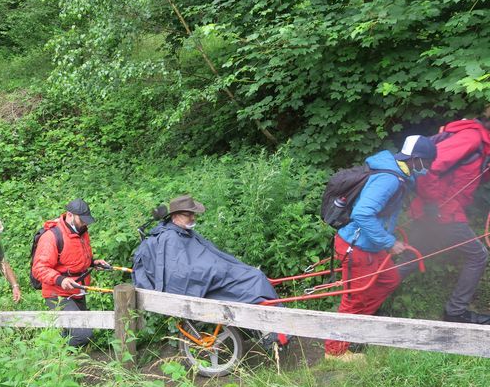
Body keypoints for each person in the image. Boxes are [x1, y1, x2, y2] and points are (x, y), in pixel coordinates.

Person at [324, 135, 437, 361]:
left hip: (370, 246)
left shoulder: (398, 171)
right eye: (427, 163)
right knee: (354, 298)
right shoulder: (390, 179)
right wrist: (389, 242)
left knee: (389, 280)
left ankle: (357, 329)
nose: (429, 168)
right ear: (415, 159)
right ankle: (335, 351)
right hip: (356, 247)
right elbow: (362, 213)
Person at [132, 195, 287, 349]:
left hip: (216, 272)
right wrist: (216, 271)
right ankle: (274, 329)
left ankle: (272, 327)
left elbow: (208, 255)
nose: (193, 217)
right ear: (175, 216)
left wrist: (224, 266)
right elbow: (180, 274)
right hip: (206, 279)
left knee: (254, 275)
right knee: (255, 279)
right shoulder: (170, 238)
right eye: (188, 214)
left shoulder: (182, 231)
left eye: (193, 213)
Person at [399, 111, 490, 324]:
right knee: (478, 255)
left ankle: (367, 299)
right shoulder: (471, 138)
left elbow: (473, 173)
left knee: (411, 258)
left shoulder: (481, 141)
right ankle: (455, 312)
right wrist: (433, 202)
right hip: (441, 211)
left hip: (441, 210)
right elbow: (427, 168)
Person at [31, 198, 110, 347]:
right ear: (70, 215)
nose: (85, 223)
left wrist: (93, 263)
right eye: (83, 220)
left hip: (78, 290)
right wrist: (61, 280)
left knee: (70, 331)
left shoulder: (82, 232)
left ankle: (67, 363)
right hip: (58, 294)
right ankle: (58, 358)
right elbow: (39, 269)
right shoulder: (52, 236)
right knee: (83, 334)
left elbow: (74, 257)